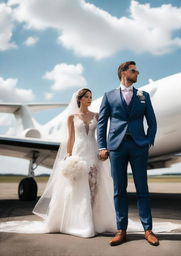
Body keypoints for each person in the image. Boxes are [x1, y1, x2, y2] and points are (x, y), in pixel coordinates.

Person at [0, 88, 116, 237]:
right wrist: (69, 155)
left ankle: (95, 221)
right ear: (79, 99)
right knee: (78, 187)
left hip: (93, 152)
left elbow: (101, 134)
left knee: (95, 186)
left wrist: (103, 149)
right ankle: (80, 222)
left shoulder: (97, 116)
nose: (89, 99)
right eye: (86, 96)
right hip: (79, 151)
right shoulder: (71, 117)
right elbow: (71, 139)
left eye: (91, 96)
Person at [97, 61, 159, 246]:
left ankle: (148, 230)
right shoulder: (108, 96)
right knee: (119, 191)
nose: (137, 73)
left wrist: (148, 140)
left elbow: (152, 122)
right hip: (117, 147)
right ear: (124, 73)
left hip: (139, 146)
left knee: (143, 190)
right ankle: (121, 230)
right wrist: (102, 146)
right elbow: (102, 124)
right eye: (134, 70)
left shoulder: (144, 96)